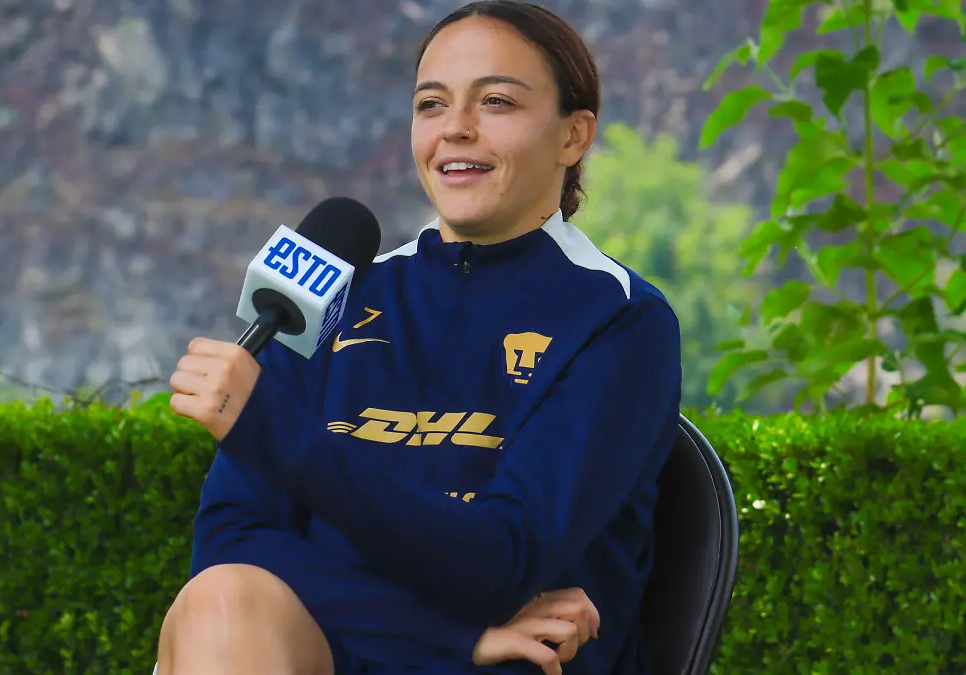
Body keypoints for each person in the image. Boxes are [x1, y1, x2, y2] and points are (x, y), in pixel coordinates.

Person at [162, 1, 681, 673]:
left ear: (573, 137)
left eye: (496, 101)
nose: (456, 128)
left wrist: (272, 426)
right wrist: (444, 634)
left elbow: (503, 562)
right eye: (431, 104)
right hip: (344, 651)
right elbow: (231, 541)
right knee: (222, 601)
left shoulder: (620, 320)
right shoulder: (330, 296)